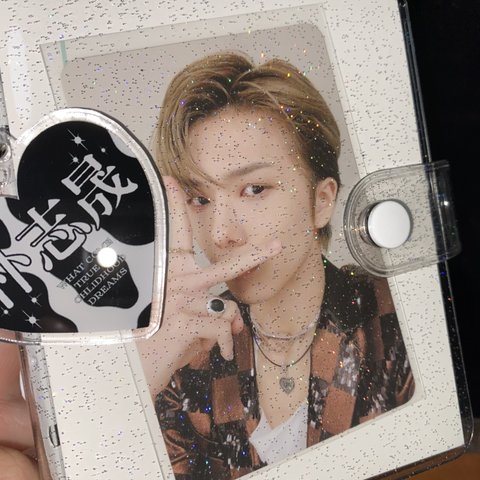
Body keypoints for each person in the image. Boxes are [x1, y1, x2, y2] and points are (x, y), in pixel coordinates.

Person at [137, 51, 415, 479]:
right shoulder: (188, 358)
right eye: (200, 199)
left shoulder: (399, 322)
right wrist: (140, 379)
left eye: (254, 189)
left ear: (321, 201)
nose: (221, 233)